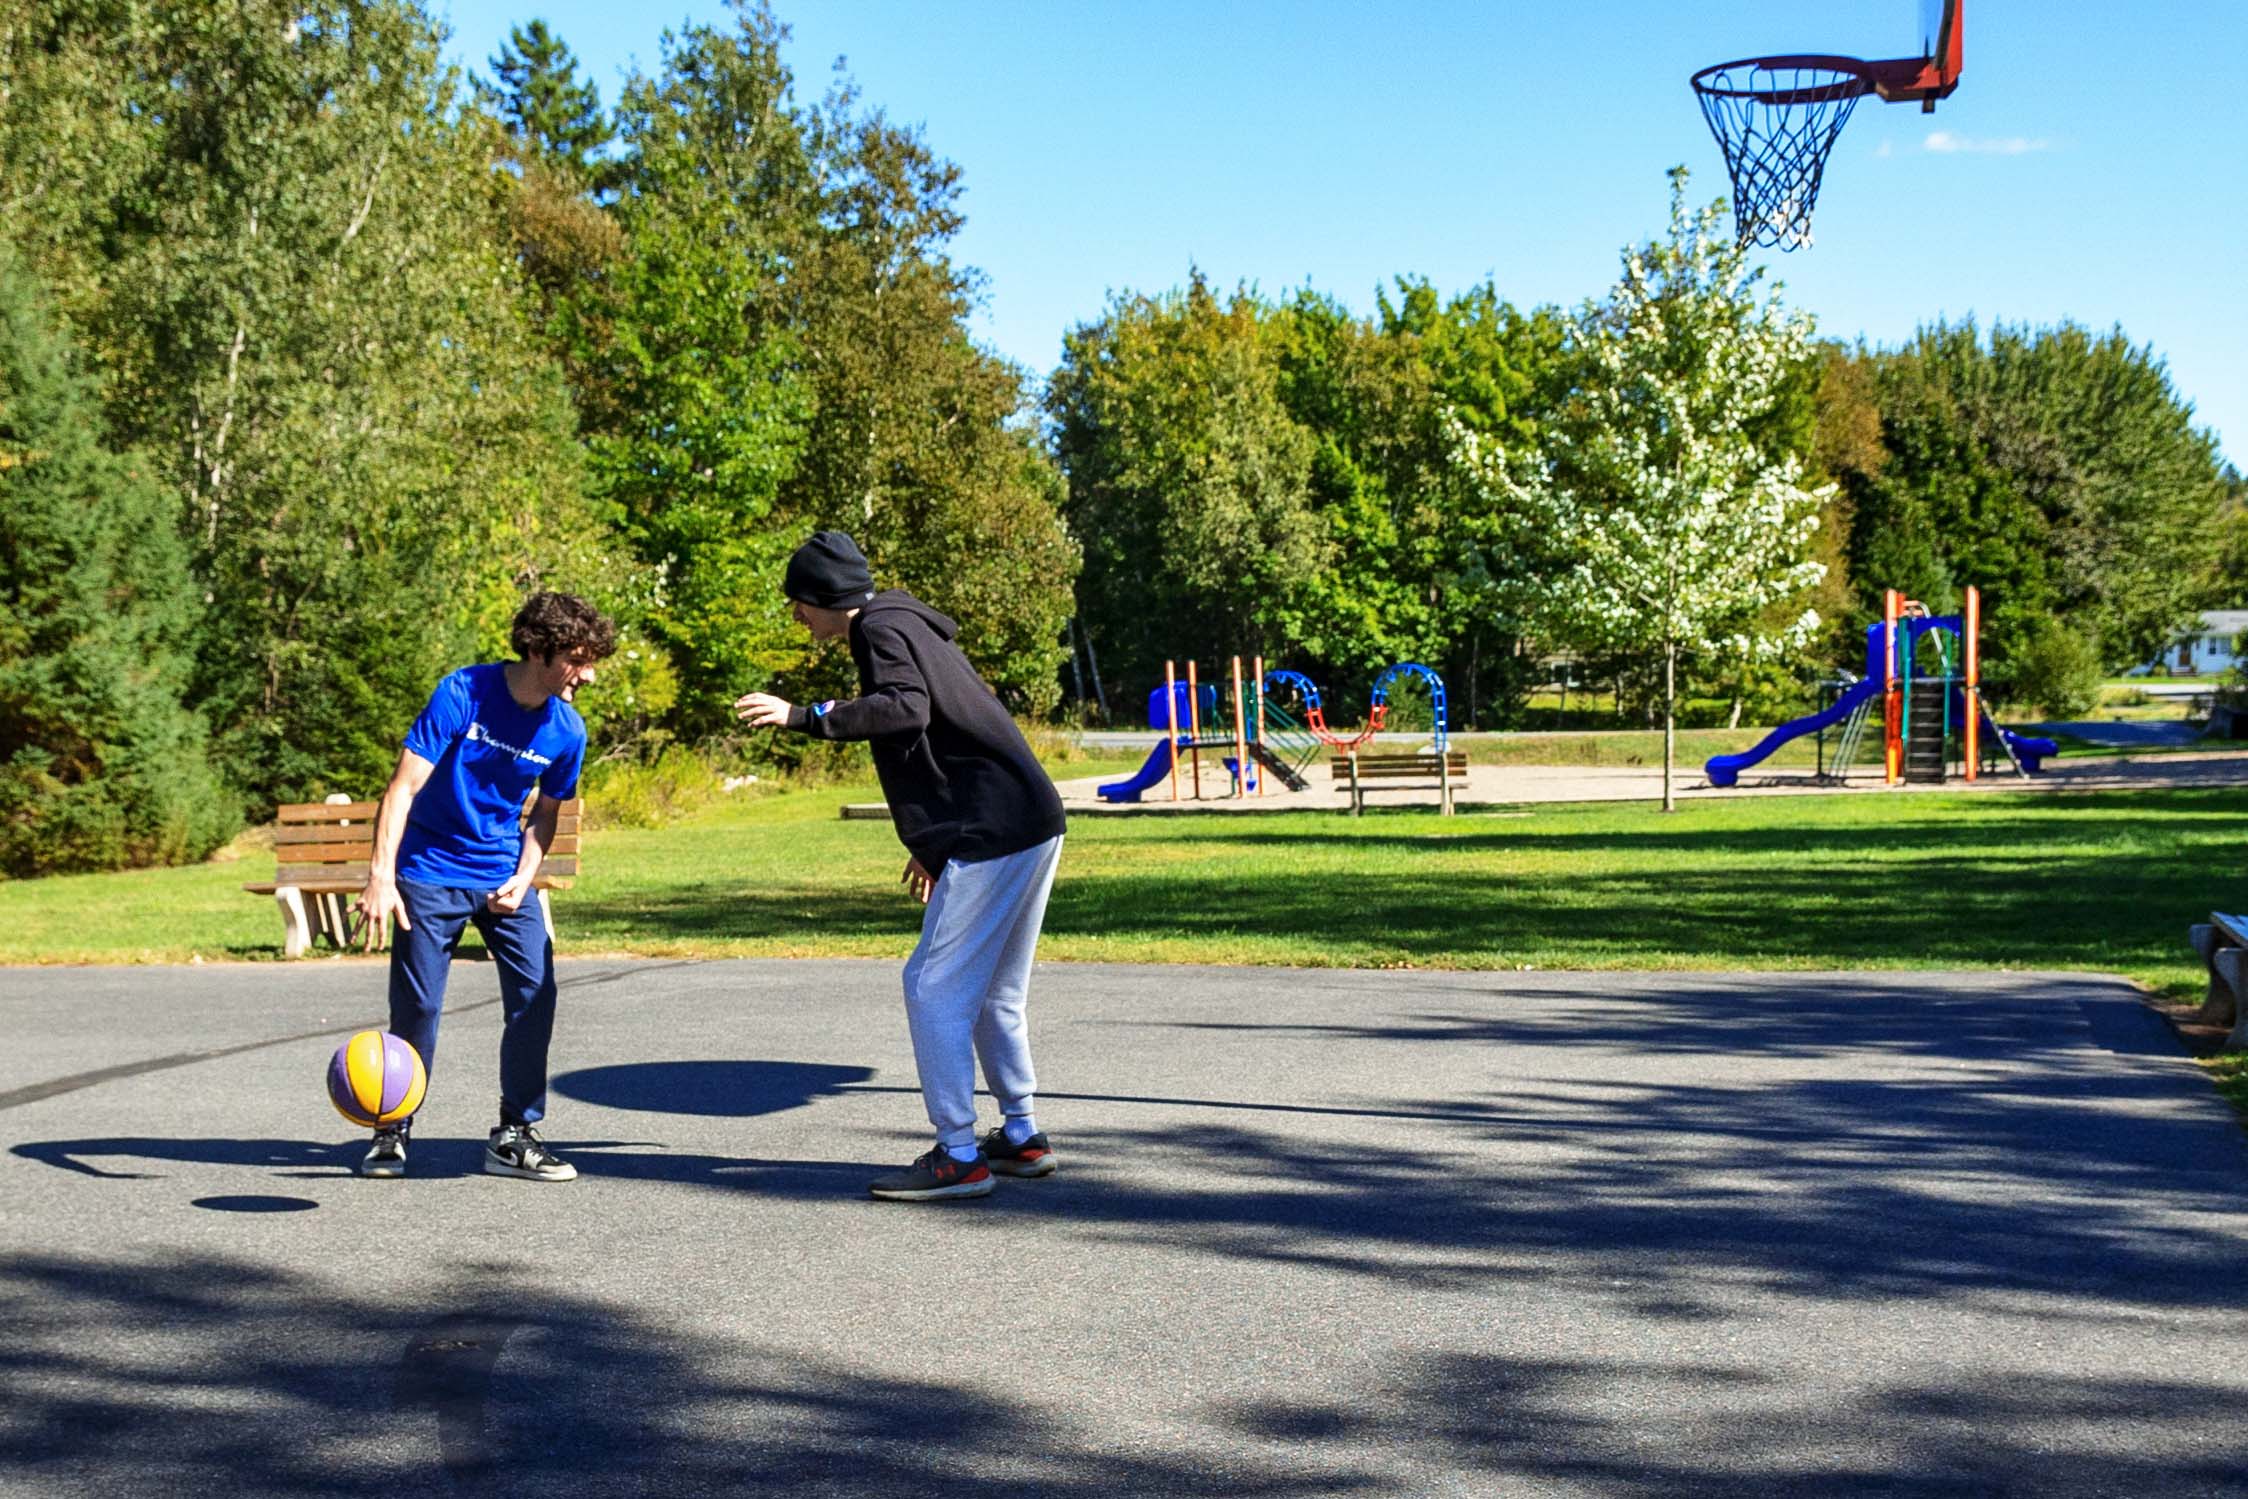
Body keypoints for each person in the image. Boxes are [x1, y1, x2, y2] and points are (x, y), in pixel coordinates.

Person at [735, 531, 1067, 1202]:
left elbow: (905, 708)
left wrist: (805, 716)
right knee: (994, 990)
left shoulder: (880, 628)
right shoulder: (904, 619)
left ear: (828, 596)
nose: (797, 615)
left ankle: (958, 1155)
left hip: (993, 827)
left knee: (932, 984)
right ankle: (1023, 1135)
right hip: (1026, 817)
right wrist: (931, 844)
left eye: (800, 601)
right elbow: (939, 732)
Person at [353, 591, 615, 1181]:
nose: (590, 674)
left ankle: (515, 1134)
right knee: (417, 1005)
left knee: (536, 992)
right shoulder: (462, 692)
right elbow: (403, 788)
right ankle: (392, 1129)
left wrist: (524, 878)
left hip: (502, 875)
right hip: (428, 871)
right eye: (579, 659)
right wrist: (380, 877)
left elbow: (546, 814)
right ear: (540, 650)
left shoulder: (567, 730)